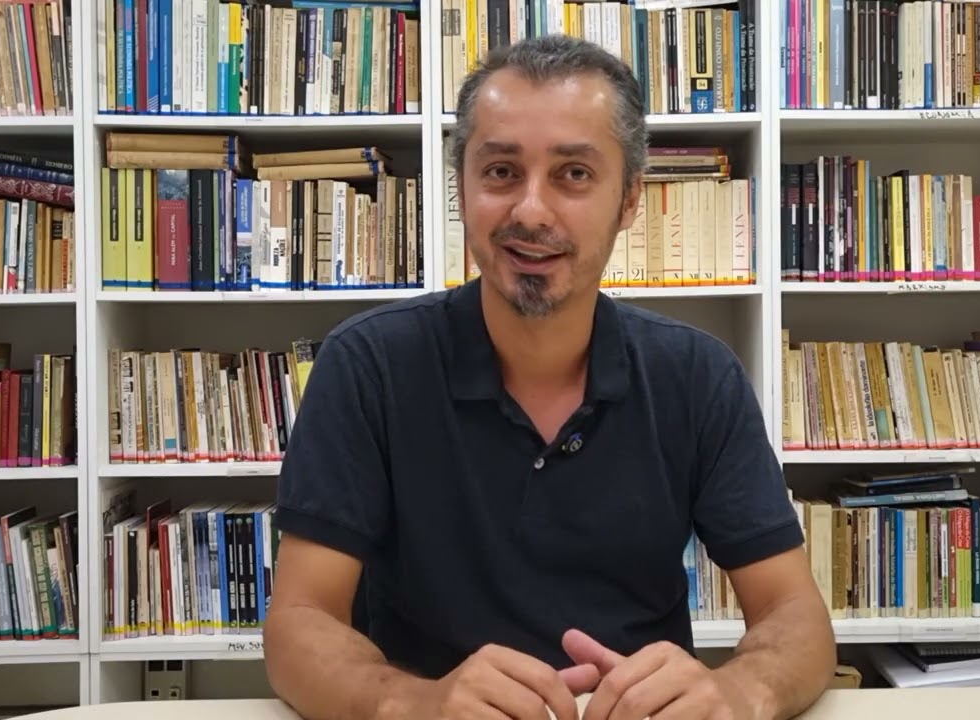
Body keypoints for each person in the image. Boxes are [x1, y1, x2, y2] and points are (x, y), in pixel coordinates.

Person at [264, 33, 836, 720]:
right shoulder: (367, 366)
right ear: (462, 188)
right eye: (501, 171)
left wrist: (740, 691)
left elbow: (794, 615)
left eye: (574, 174)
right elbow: (299, 622)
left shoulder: (697, 376)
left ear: (629, 199)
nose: (531, 211)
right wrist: (415, 703)